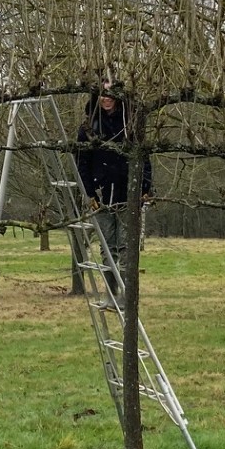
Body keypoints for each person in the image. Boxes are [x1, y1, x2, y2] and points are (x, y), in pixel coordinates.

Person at [74, 84, 151, 295]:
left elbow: (144, 156)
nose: (106, 99)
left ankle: (129, 294)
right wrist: (89, 192)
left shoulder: (130, 123)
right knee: (107, 245)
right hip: (101, 192)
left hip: (128, 191)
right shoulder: (89, 126)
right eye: (102, 95)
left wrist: (145, 186)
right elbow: (81, 162)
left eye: (110, 95)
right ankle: (111, 291)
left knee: (126, 244)